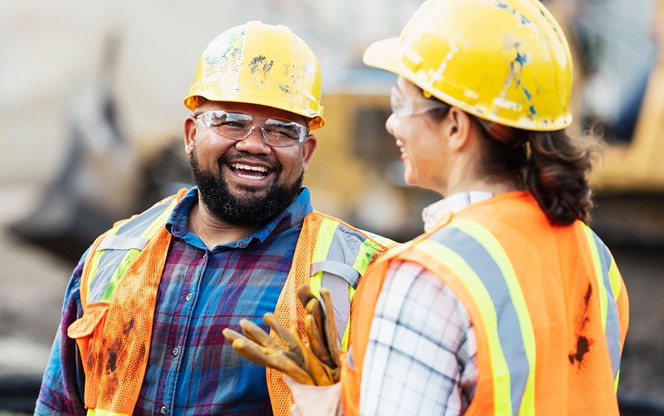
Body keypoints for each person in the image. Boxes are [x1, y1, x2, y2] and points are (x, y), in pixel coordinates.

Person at [226, 1, 630, 415]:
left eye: (401, 104)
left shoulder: (423, 277)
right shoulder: (594, 254)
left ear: (455, 126)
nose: (392, 124)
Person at [35, 21, 393, 416]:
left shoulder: (364, 275)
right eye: (231, 122)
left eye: (280, 130)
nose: (254, 144)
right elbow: (60, 404)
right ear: (191, 133)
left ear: (306, 151)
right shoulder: (113, 255)